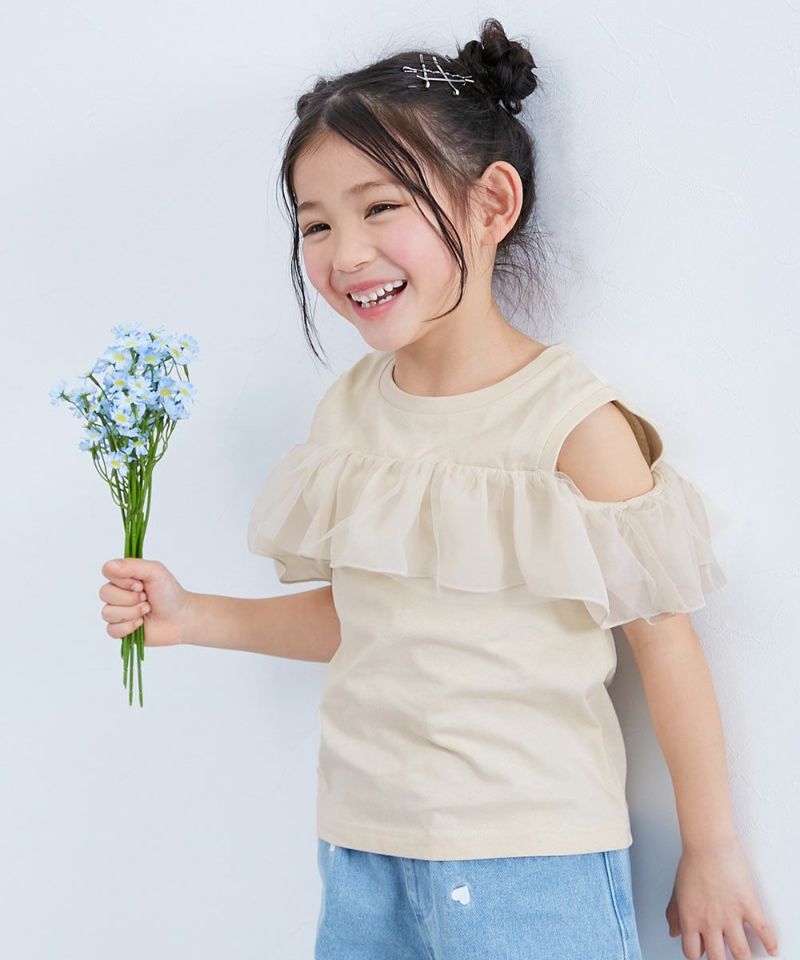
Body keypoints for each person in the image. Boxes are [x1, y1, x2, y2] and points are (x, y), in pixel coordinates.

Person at [98, 17, 780, 960]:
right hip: (362, 849)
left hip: (531, 860)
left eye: (381, 207)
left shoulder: (571, 425)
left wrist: (712, 850)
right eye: (316, 224)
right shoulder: (350, 415)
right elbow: (369, 618)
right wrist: (194, 616)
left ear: (491, 203)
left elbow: (665, 646)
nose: (345, 254)